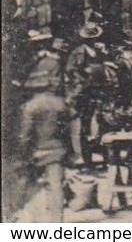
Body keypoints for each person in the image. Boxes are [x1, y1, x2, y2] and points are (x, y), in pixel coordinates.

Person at [18, 55, 68, 222]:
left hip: (37, 150)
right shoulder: (60, 103)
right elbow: (68, 129)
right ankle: (57, 221)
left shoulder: (30, 106)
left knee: (26, 184)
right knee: (56, 187)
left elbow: (26, 134)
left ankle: (20, 217)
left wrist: (23, 153)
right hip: (57, 150)